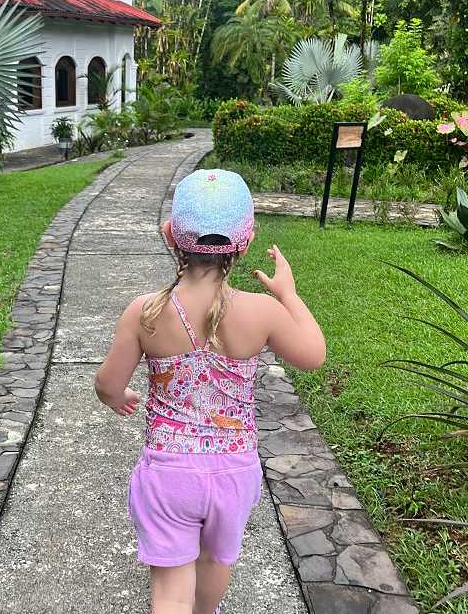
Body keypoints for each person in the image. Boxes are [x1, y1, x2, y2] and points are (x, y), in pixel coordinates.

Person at [94, 169, 326, 614]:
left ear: (169, 236)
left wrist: (116, 399)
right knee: (217, 560)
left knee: (169, 589)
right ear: (247, 241)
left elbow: (108, 383)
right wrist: (289, 294)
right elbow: (313, 354)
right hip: (234, 474)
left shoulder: (144, 312)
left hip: (168, 472)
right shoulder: (263, 311)